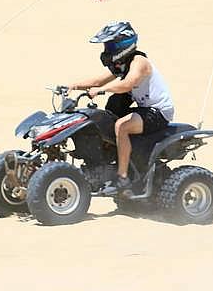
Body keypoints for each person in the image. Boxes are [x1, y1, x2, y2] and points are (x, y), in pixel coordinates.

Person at [68, 21, 174, 196]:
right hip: (142, 108)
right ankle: (105, 163)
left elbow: (128, 84)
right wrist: (73, 86)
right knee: (103, 118)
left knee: (121, 126)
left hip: (158, 112)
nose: (106, 49)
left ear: (123, 44)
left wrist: (102, 90)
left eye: (110, 45)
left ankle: (122, 177)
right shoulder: (122, 63)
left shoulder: (139, 62)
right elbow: (97, 82)